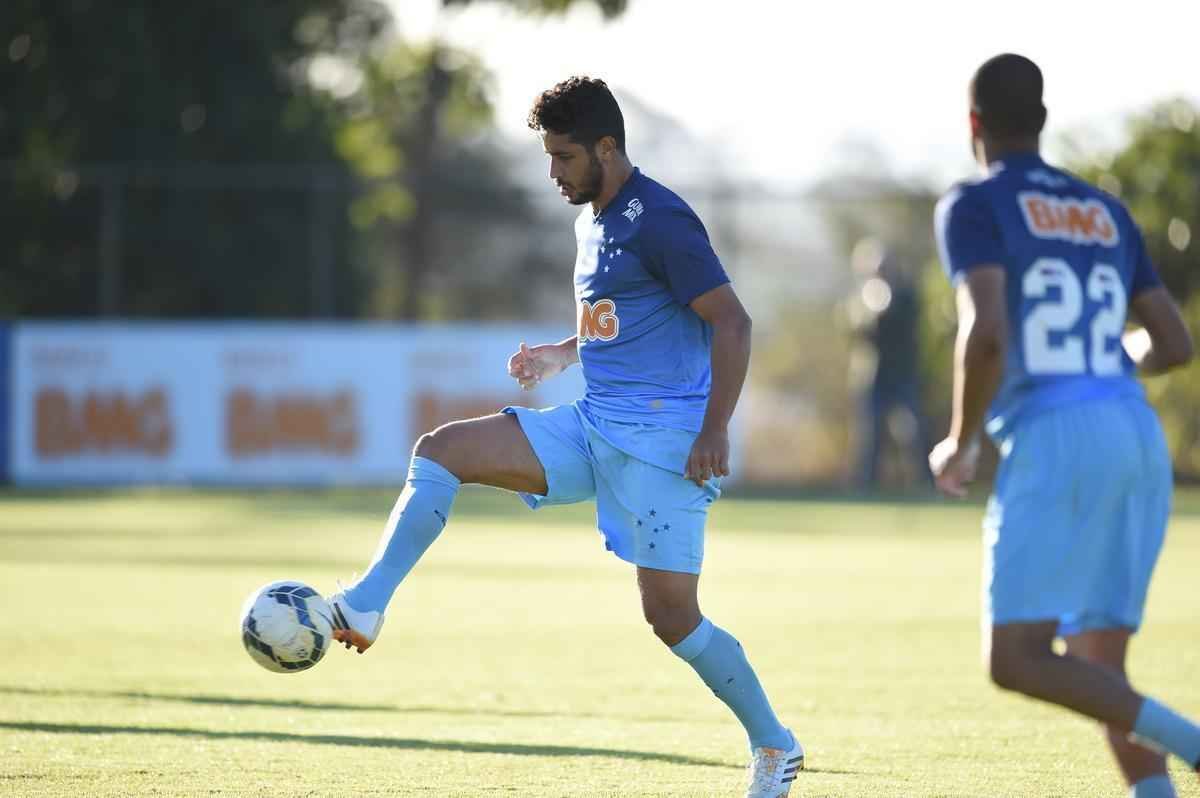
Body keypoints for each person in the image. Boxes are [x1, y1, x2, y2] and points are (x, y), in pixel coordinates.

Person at [326, 76, 803, 798]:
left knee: (671, 619)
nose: (553, 172)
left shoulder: (662, 219)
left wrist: (714, 430)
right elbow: (626, 318)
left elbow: (731, 322)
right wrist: (562, 351)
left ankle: (774, 743)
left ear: (607, 148)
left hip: (663, 445)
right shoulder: (593, 219)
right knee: (441, 450)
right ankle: (366, 602)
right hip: (591, 426)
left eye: (564, 157)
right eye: (549, 156)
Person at [930, 53, 1197, 797]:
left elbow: (985, 331)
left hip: (1055, 436)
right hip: (1133, 430)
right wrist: (1104, 365)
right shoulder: (1105, 210)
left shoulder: (975, 203)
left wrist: (961, 439)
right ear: (1043, 122)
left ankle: (1193, 744)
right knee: (1096, 665)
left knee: (1015, 657)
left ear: (973, 125)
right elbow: (1173, 344)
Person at [846, 237, 932, 489]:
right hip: (872, 377)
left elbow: (908, 327)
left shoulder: (906, 295)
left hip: (902, 374)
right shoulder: (860, 299)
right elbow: (856, 331)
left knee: (914, 432)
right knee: (870, 436)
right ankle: (865, 486)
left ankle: (925, 484)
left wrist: (887, 307)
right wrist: (872, 312)